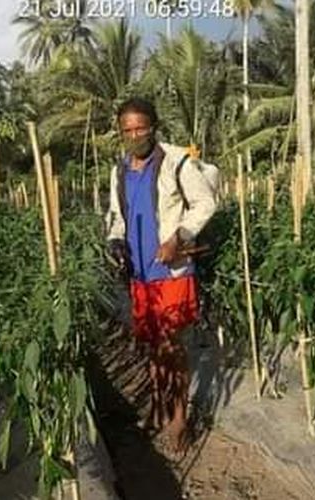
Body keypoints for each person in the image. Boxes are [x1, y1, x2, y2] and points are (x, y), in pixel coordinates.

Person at [106, 97, 217, 450]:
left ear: (153, 127)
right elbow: (116, 216)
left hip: (171, 272)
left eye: (140, 127)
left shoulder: (176, 162)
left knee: (172, 347)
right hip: (140, 275)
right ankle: (158, 407)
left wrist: (179, 236)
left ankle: (179, 419)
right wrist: (116, 243)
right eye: (128, 130)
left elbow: (205, 203)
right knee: (153, 346)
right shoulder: (120, 170)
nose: (134, 135)